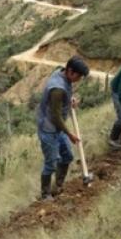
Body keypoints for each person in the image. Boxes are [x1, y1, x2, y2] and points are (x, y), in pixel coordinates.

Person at [35, 56, 89, 201]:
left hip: (57, 128)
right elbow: (55, 116)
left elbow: (62, 99)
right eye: (78, 76)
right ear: (70, 71)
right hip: (48, 129)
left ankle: (57, 186)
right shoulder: (57, 89)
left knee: (67, 157)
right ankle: (45, 194)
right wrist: (69, 133)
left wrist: (69, 99)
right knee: (51, 163)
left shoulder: (62, 73)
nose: (79, 79)